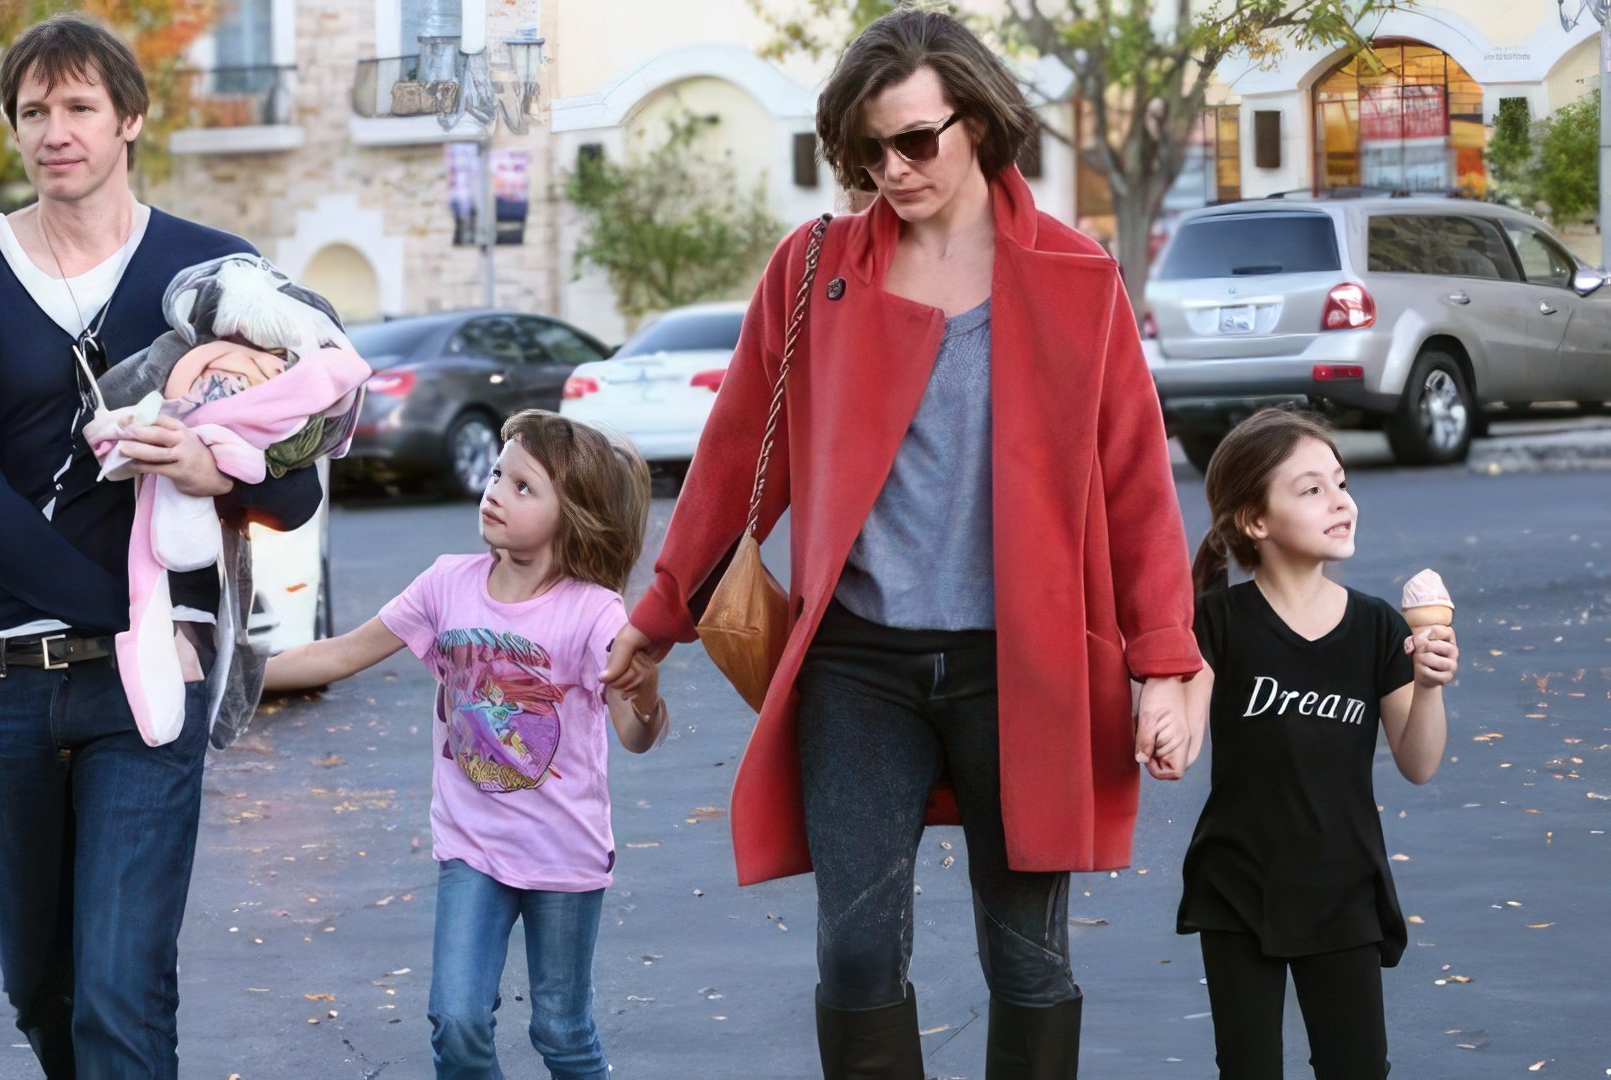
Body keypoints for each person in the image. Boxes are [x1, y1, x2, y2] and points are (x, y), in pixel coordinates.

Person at [601, 9, 1202, 1078]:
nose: (891, 168)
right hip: (859, 662)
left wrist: (1163, 660)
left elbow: (1135, 486)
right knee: (857, 950)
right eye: (867, 150)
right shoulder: (816, 267)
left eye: (915, 141)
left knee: (1027, 957)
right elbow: (741, 453)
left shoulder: (1074, 273)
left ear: (978, 122)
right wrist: (659, 616)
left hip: (1023, 664)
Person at [0, 13, 322, 1076]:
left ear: (129, 118)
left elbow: (300, 485)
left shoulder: (213, 271)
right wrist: (127, 616)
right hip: (7, 679)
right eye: (33, 110)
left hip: (150, 694)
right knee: (41, 992)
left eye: (80, 105)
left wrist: (210, 468)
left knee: (122, 998)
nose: (56, 130)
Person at [266, 410, 667, 1080]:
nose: (494, 492)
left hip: (563, 854)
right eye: (496, 474)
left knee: (561, 1032)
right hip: (471, 846)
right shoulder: (445, 584)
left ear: (573, 514)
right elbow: (338, 654)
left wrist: (646, 694)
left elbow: (635, 733)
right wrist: (226, 678)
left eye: (522, 486)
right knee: (455, 1021)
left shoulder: (592, 612)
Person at [1179, 408, 1456, 1078]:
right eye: (1311, 490)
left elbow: (1417, 763)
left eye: (1340, 482)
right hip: (1238, 886)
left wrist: (1429, 683)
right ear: (1255, 521)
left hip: (1344, 888)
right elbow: (1180, 743)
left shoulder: (1377, 627)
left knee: (1356, 1067)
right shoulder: (1215, 621)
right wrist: (1158, 706)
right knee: (1248, 1069)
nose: (1341, 502)